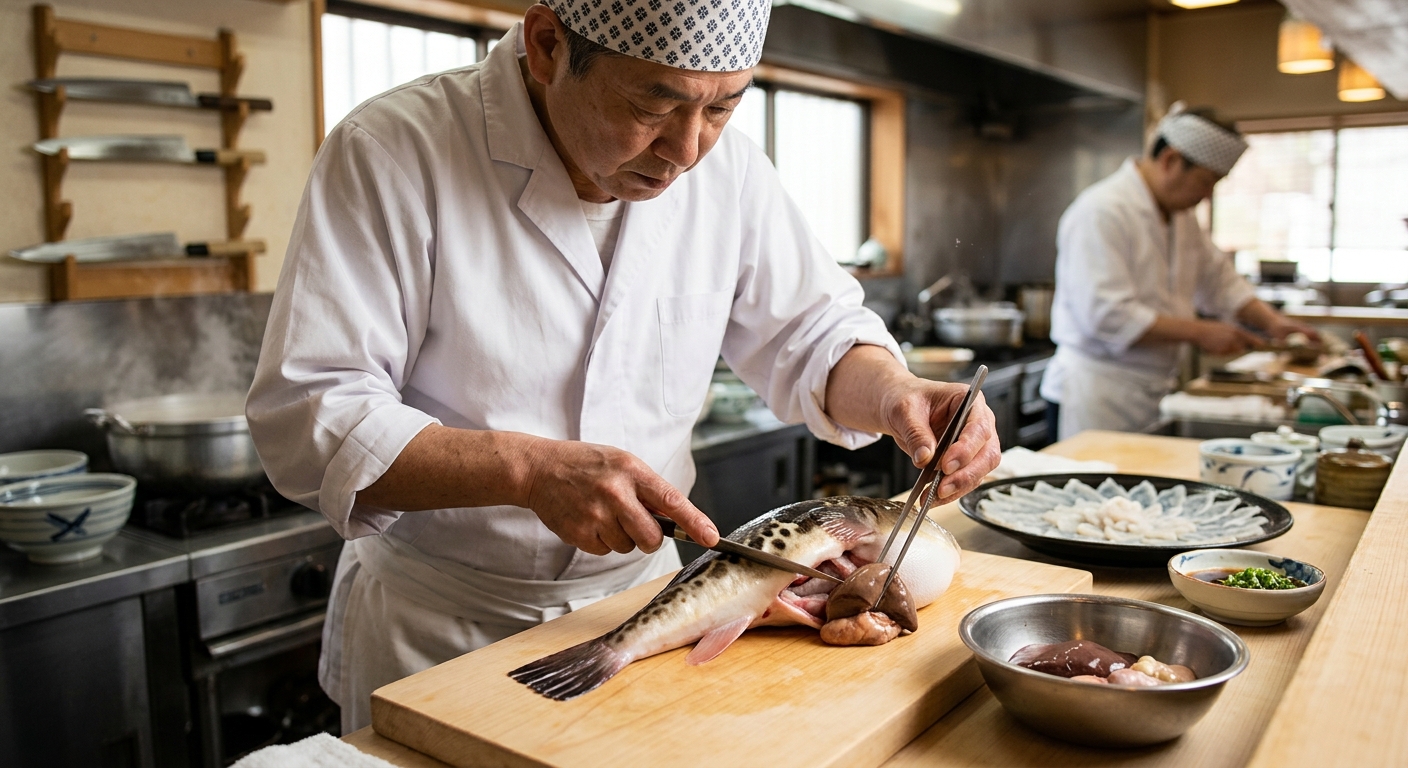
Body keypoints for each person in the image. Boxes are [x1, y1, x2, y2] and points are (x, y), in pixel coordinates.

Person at [246, 0, 1001, 732]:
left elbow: (813, 334)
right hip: (441, 626)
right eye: (652, 104)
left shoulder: (730, 171)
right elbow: (313, 415)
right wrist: (527, 471)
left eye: (723, 106)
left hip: (646, 609)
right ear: (547, 45)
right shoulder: (393, 150)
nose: (688, 150)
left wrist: (896, 392)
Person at [1040, 108, 1318, 440]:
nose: (1207, 195)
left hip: (1155, 390)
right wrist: (1201, 332)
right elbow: (1106, 314)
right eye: (1205, 181)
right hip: (1098, 394)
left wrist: (1272, 323)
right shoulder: (1102, 211)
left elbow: (1219, 280)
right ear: (1171, 160)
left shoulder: (1182, 218)